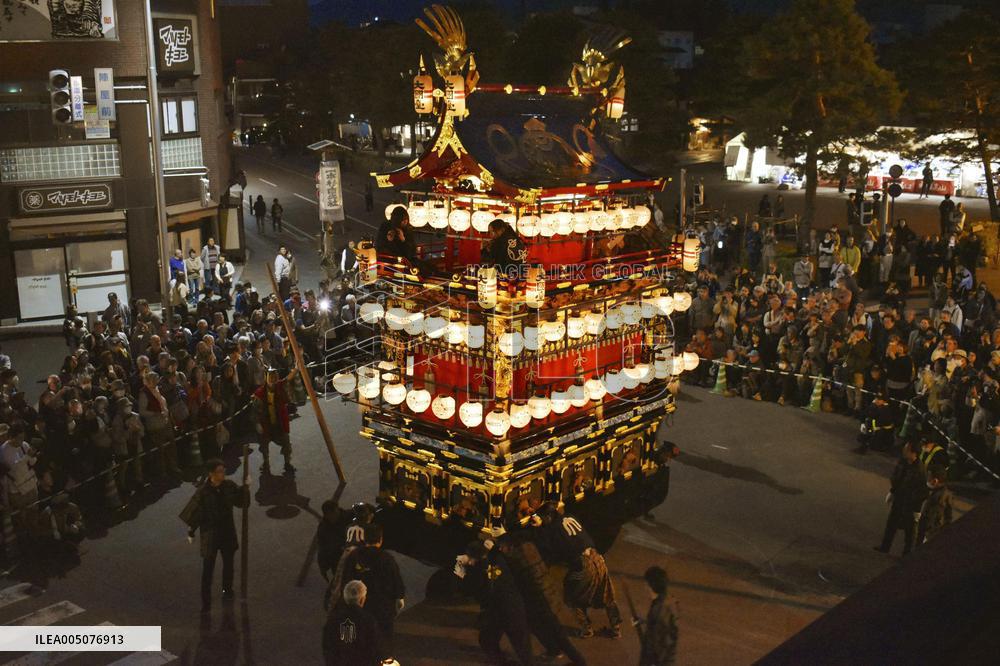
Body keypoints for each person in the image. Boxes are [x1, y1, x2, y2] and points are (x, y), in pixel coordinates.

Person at [180, 459, 250, 611]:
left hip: (227, 532)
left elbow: (241, 502)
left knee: (229, 565)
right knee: (208, 569)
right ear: (211, 474)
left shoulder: (229, 486)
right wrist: (191, 532)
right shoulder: (203, 493)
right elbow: (195, 513)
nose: (223, 473)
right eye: (219, 471)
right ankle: (206, 599)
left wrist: (246, 488)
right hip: (210, 534)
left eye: (223, 470)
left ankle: (227, 589)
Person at [458, 540, 535, 666]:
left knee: (489, 640)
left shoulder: (479, 569)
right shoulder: (498, 559)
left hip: (500, 609)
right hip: (512, 605)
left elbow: (472, 589)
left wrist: (465, 568)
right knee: (520, 643)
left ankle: (502, 661)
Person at [340, 524, 405, 648]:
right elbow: (396, 580)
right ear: (380, 540)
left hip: (359, 603)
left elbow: (346, 579)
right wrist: (399, 597)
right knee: (383, 632)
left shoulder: (354, 556)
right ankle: (384, 656)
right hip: (382, 604)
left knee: (358, 633)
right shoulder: (387, 558)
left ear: (363, 538)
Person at [876, 442, 927, 556]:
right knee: (891, 523)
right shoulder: (903, 462)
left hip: (909, 503)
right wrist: (892, 491)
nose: (904, 451)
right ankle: (885, 547)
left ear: (914, 453)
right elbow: (897, 477)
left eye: (907, 449)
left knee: (909, 530)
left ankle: (907, 554)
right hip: (899, 497)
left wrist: (916, 509)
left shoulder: (919, 470)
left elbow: (921, 491)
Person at [322, 580, 385, 666]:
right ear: (362, 599)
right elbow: (375, 647)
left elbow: (328, 646)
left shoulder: (334, 619)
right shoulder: (368, 620)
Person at [253, 368, 297, 474]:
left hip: (279, 423)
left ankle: (287, 463)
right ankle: (266, 463)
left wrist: (296, 369)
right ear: (266, 378)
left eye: (274, 377)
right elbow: (255, 411)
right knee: (263, 445)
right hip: (266, 424)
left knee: (286, 443)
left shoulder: (280, 387)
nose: (272, 379)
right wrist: (257, 423)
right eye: (270, 377)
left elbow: (289, 377)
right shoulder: (259, 393)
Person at [636, 566, 679, 666]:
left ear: (649, 585)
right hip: (665, 658)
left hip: (656, 660)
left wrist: (654, 662)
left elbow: (658, 639)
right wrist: (643, 621)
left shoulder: (658, 609)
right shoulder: (670, 601)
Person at [916, 469, 953, 545]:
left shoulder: (939, 497)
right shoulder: (938, 491)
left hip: (929, 532)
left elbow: (934, 518)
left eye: (929, 477)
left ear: (935, 481)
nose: (927, 480)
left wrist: (928, 535)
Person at [317, 499, 351, 582]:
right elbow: (323, 548)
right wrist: (323, 567)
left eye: (335, 514)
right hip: (337, 559)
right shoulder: (324, 529)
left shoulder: (350, 517)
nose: (333, 517)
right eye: (330, 515)